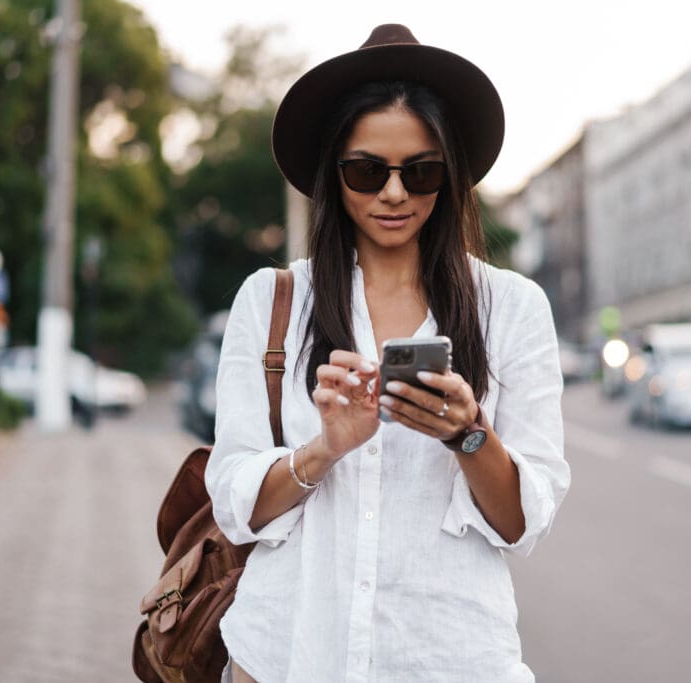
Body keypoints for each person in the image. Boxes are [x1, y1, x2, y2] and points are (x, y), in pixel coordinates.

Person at [206, 24, 570, 682]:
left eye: (421, 170)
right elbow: (236, 508)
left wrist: (468, 434)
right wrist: (324, 449)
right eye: (368, 170)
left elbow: (522, 522)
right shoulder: (272, 301)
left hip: (449, 657)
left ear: (450, 175)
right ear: (334, 173)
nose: (394, 193)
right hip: (286, 653)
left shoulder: (513, 308)